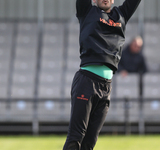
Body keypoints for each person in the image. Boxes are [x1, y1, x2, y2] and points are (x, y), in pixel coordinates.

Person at [63, 0, 141, 149]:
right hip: (86, 82)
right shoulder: (86, 11)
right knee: (75, 138)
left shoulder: (122, 15)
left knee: (90, 142)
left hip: (106, 87)